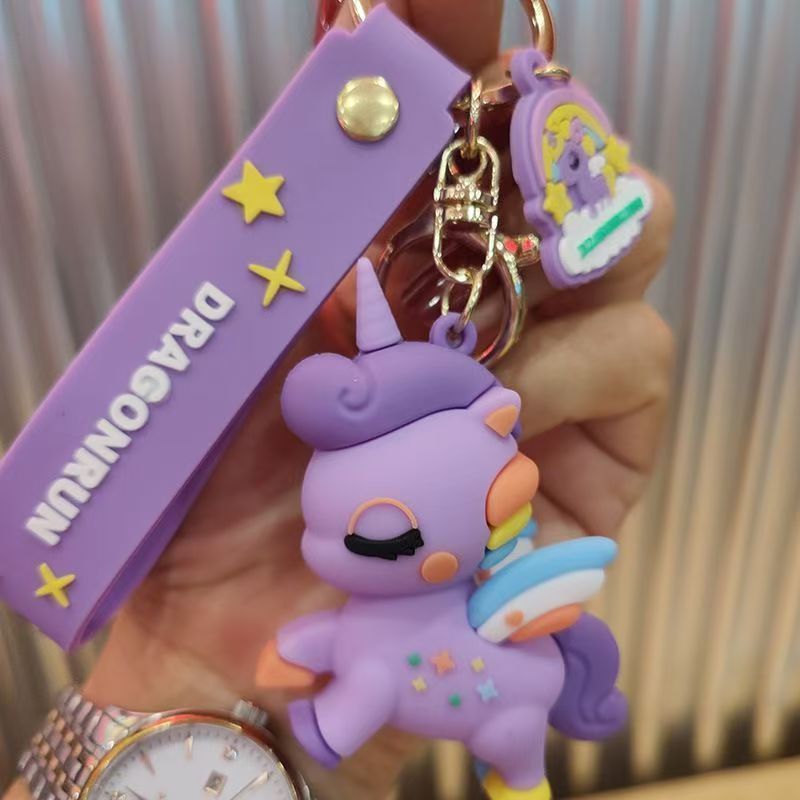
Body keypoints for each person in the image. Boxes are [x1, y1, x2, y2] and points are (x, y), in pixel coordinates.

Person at [4, 1, 674, 798]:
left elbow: (358, 659)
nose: (324, 555)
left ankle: (518, 771)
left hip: (471, 688)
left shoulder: (423, 606)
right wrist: (190, 678)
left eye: (372, 535)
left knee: (476, 729)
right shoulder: (365, 607)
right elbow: (340, 640)